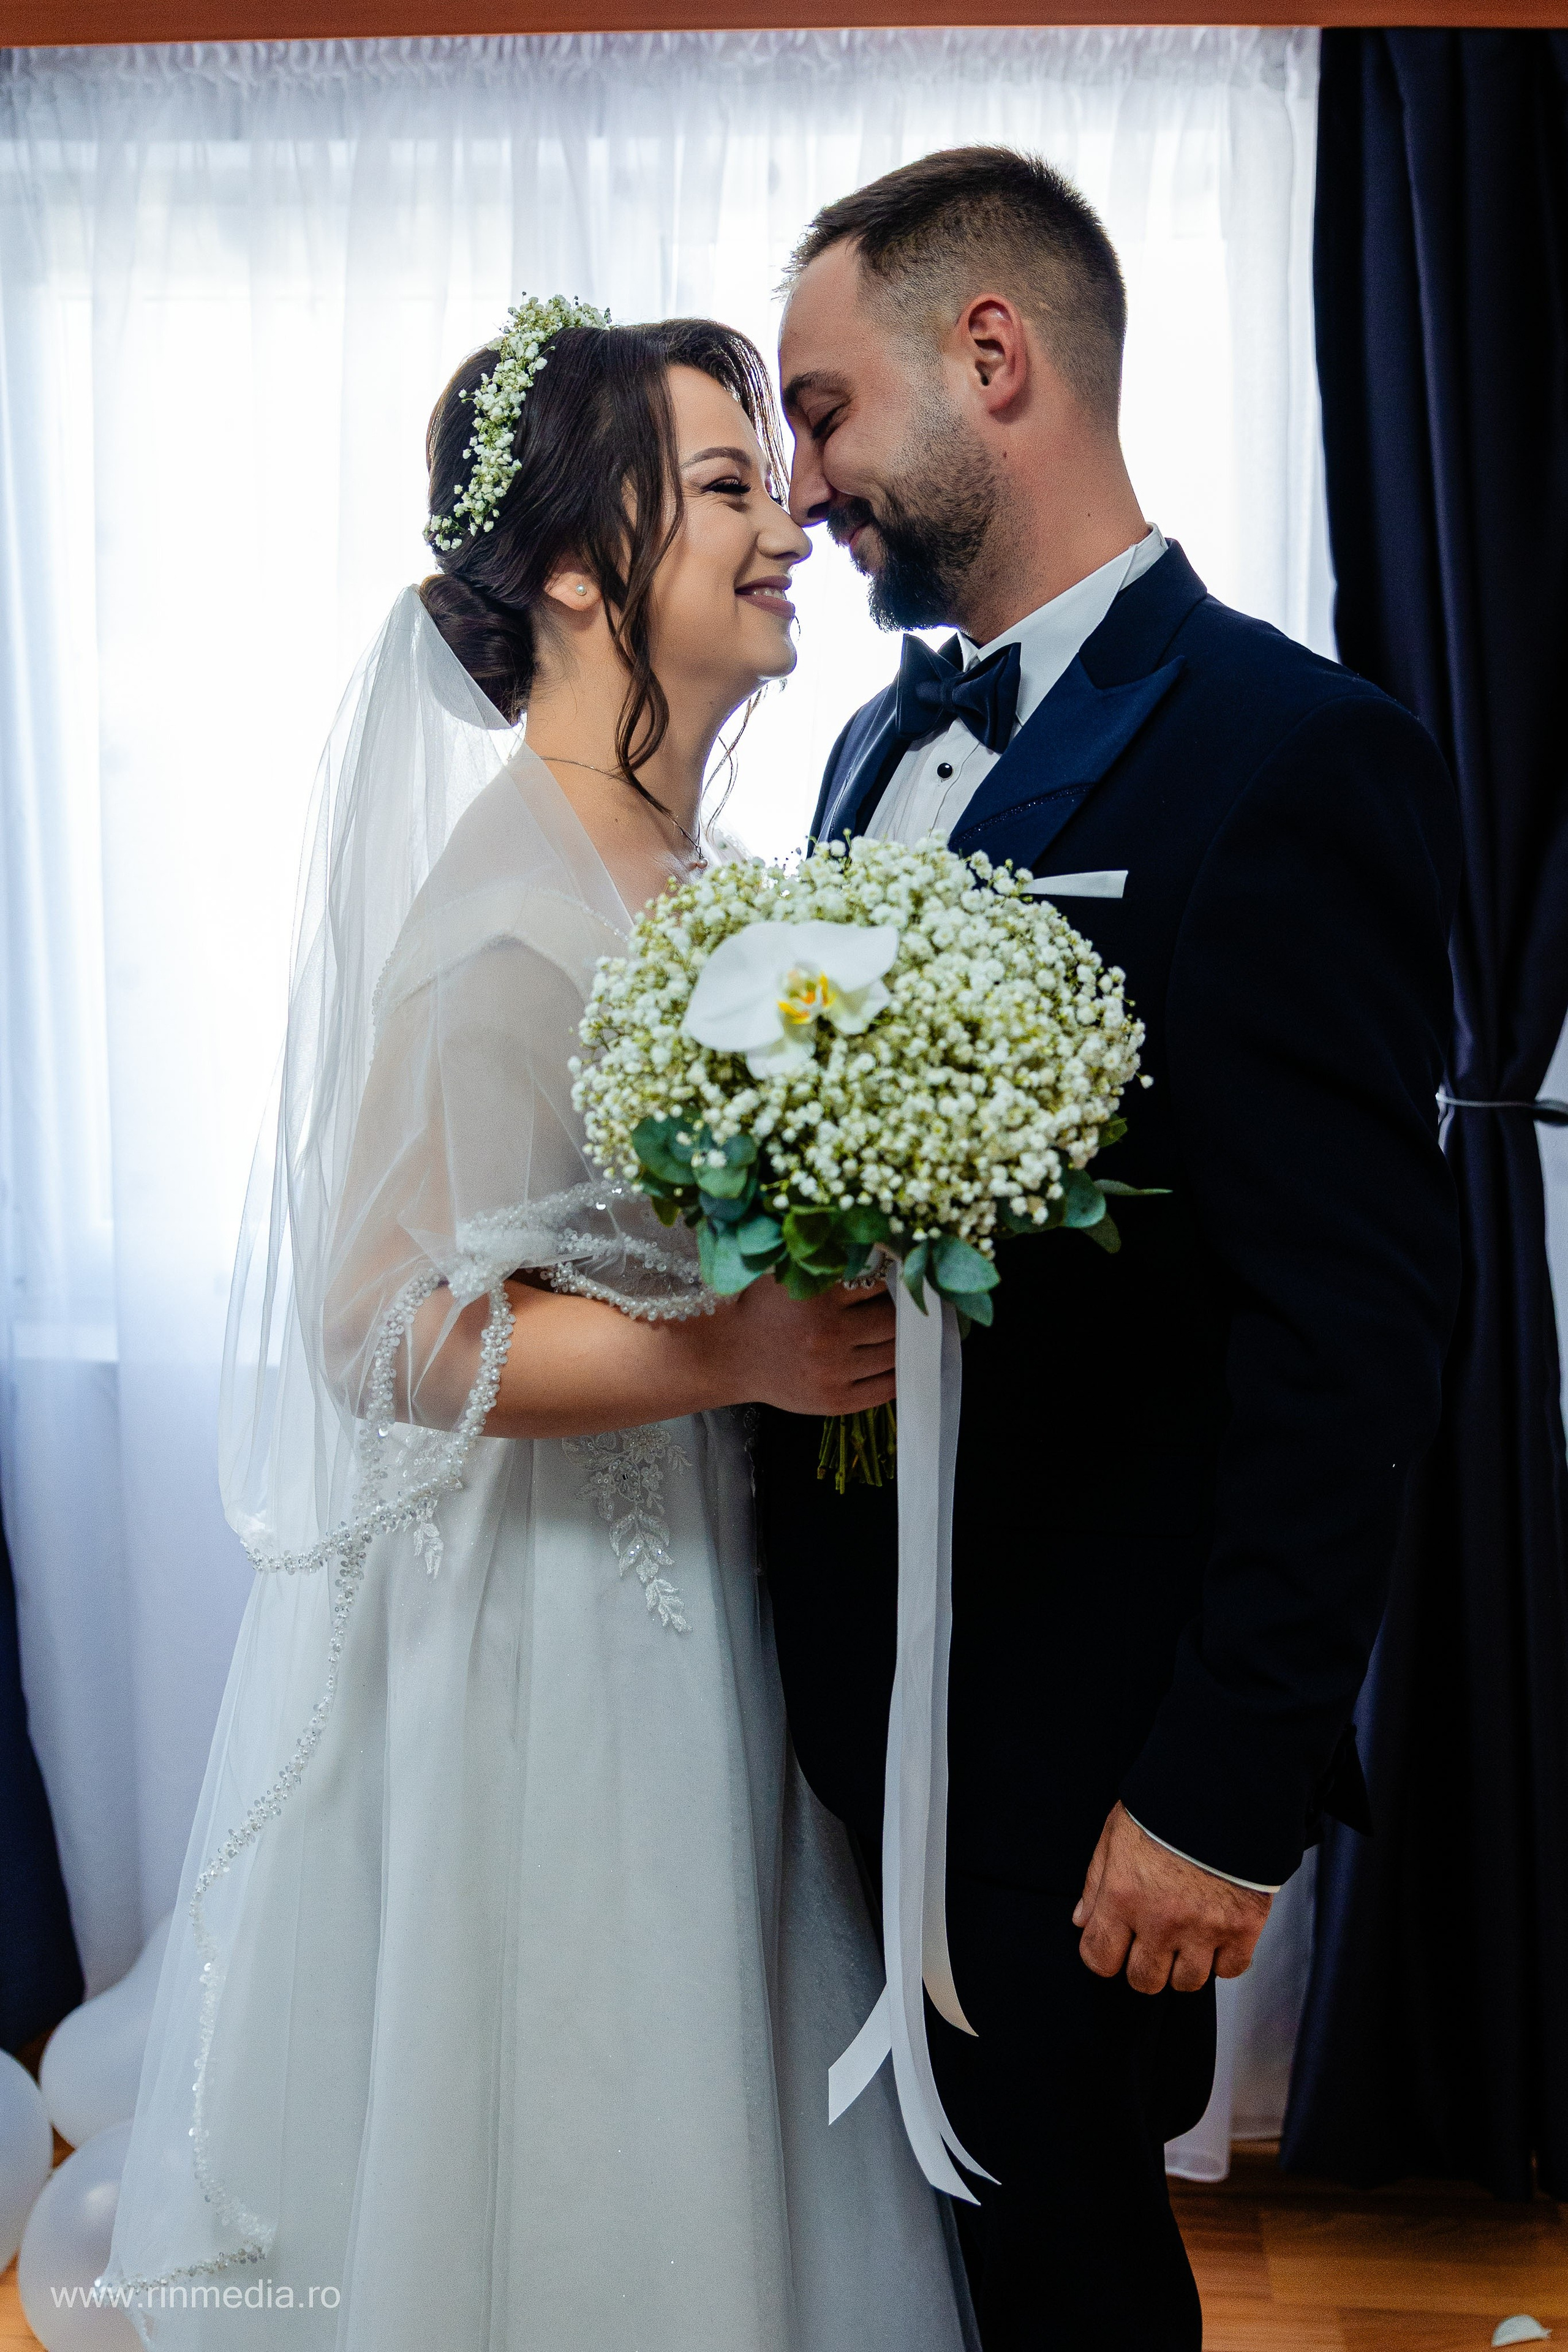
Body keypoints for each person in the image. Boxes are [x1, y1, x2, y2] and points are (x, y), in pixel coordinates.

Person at [105, 308, 971, 2352]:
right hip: (561, 1638)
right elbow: (380, 1329)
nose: (789, 530)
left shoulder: (681, 861)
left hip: (698, 1600)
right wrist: (728, 1359)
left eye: (776, 479)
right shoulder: (508, 911)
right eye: (736, 488)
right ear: (587, 569)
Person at [757, 146, 1462, 2348]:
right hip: (862, 1680)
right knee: (939, 2240)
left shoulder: (1291, 757)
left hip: (1092, 1730)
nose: (806, 486)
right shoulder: (871, 750)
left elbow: (1352, 1326)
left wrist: (1224, 1791)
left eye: (824, 410)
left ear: (996, 361)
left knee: (1067, 2246)